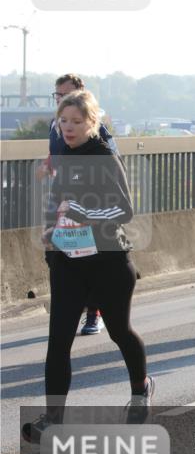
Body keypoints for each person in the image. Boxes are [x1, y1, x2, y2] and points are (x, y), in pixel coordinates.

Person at [23, 90, 153, 444]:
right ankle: (52, 419)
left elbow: (124, 210)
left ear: (91, 122)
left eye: (76, 122)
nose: (68, 127)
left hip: (109, 262)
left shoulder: (104, 157)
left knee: (119, 332)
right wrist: (51, 235)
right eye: (62, 121)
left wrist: (86, 214)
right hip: (70, 263)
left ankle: (140, 390)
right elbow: (57, 200)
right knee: (58, 341)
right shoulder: (63, 154)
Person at [37, 74, 118, 336]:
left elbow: (114, 160)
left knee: (87, 253)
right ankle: (70, 306)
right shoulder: (55, 124)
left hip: (87, 199)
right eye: (58, 95)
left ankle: (94, 313)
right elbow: (56, 151)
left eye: (66, 95)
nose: (61, 99)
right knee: (55, 252)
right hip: (59, 196)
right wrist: (48, 164)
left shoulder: (98, 126)